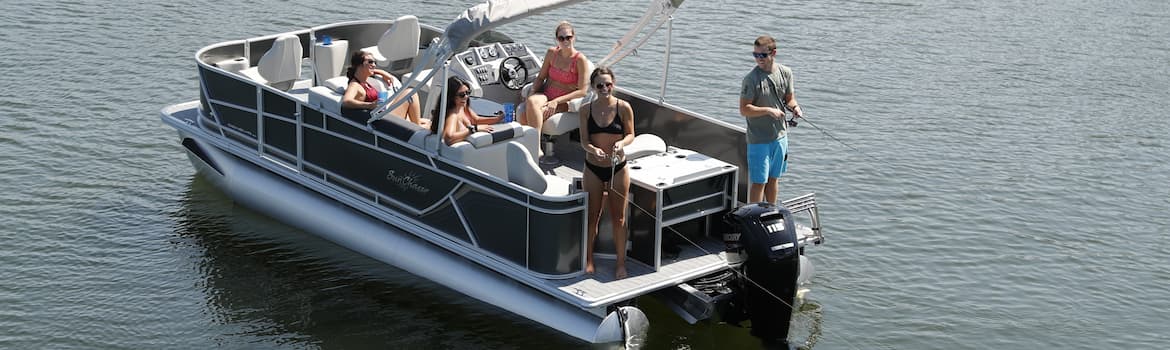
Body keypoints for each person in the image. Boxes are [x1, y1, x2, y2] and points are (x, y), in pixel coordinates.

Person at [577, 67, 634, 279]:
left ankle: (621, 263)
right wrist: (594, 150)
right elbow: (584, 141)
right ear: (593, 87)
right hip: (593, 168)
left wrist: (620, 144)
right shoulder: (585, 110)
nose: (604, 88)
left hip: (618, 168)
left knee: (619, 217)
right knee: (593, 216)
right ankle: (588, 259)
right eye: (599, 85)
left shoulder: (623, 107)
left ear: (613, 84)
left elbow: (630, 135)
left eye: (608, 84)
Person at [738, 35, 803, 205]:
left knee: (774, 178)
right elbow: (744, 109)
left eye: (762, 55)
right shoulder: (751, 79)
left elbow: (789, 99)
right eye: (755, 55)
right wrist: (768, 111)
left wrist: (795, 108)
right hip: (759, 140)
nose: (758, 59)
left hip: (780, 137)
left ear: (773, 53)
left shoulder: (786, 72)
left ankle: (772, 210)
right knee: (759, 182)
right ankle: (754, 217)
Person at [520, 21, 590, 134]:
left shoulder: (580, 60)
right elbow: (541, 78)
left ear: (574, 38)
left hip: (564, 101)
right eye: (561, 38)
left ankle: (534, 147)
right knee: (531, 102)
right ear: (557, 39)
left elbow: (582, 91)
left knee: (527, 116)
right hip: (547, 94)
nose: (565, 41)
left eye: (568, 37)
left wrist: (556, 101)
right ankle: (534, 146)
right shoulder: (551, 53)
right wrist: (532, 91)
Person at [341, 50, 426, 128]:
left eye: (375, 62)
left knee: (427, 122)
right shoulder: (355, 85)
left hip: (383, 116)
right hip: (381, 122)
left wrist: (382, 73)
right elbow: (346, 102)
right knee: (410, 93)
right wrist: (370, 105)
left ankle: (418, 126)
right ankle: (417, 129)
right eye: (370, 62)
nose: (374, 65)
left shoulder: (364, 81)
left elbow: (371, 70)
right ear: (359, 65)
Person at [431, 77, 504, 145]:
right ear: (451, 96)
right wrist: (474, 129)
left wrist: (499, 118)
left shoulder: (463, 106)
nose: (466, 97)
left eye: (468, 92)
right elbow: (448, 137)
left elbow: (476, 120)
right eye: (462, 95)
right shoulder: (453, 115)